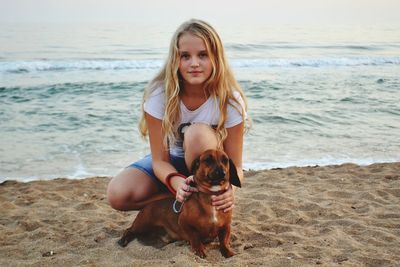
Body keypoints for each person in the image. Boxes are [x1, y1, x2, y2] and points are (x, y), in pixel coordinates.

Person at [107, 19, 248, 213]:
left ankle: (199, 197)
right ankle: (184, 197)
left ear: (216, 58)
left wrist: (230, 189)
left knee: (197, 133)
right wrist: (175, 181)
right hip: (171, 161)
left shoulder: (229, 100)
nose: (194, 63)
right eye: (185, 56)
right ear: (175, 59)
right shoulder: (159, 95)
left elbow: (236, 166)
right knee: (118, 195)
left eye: (203, 55)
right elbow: (159, 161)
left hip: (207, 167)